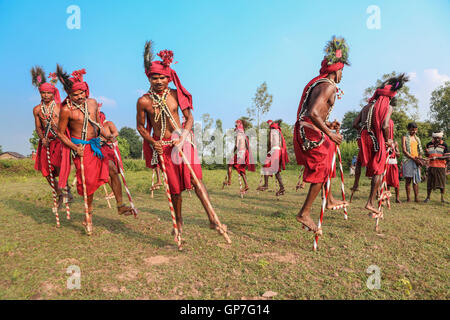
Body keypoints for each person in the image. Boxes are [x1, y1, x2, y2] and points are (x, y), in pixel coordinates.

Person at [137, 41, 226, 237]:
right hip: (164, 147)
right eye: (154, 78)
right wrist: (154, 143)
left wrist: (183, 135)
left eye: (162, 77)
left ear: (168, 78)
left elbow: (190, 118)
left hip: (183, 142)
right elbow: (140, 127)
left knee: (197, 180)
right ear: (149, 79)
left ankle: (212, 218)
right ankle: (178, 222)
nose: (158, 81)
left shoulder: (176, 95)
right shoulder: (144, 101)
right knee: (174, 189)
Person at [56, 66, 134, 235]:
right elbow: (60, 134)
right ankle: (88, 216)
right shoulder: (66, 111)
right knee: (88, 184)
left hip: (96, 145)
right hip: (81, 148)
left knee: (113, 169)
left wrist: (108, 136)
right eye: (75, 95)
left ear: (86, 91)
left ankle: (120, 206)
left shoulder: (92, 103)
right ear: (69, 95)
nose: (79, 97)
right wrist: (75, 148)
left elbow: (97, 125)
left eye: (82, 93)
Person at [293, 36, 350, 232]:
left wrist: (328, 124)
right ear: (337, 70)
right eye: (342, 70)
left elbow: (316, 113)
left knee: (328, 161)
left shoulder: (322, 83)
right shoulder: (327, 86)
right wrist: (330, 133)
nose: (343, 74)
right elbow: (313, 112)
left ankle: (330, 199)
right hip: (310, 132)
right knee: (321, 169)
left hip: (312, 128)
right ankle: (304, 213)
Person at [355, 75, 408, 216]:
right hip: (378, 140)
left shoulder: (367, 106)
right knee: (378, 171)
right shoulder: (388, 107)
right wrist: (388, 140)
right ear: (390, 96)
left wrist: (365, 132)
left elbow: (355, 124)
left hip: (365, 139)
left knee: (368, 167)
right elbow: (385, 125)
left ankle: (364, 193)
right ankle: (370, 203)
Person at [31, 67, 72, 205]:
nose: (46, 95)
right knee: (45, 171)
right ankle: (59, 192)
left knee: (58, 165)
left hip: (59, 141)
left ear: (53, 93)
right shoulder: (37, 109)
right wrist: (42, 138)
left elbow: (67, 124)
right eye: (43, 93)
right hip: (46, 141)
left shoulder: (60, 107)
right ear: (40, 93)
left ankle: (66, 190)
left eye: (49, 93)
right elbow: (38, 127)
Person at [257, 119, 289, 196]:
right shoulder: (278, 130)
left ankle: (266, 185)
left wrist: (269, 151)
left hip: (275, 150)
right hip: (279, 150)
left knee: (266, 166)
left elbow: (271, 142)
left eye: (269, 124)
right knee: (276, 170)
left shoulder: (272, 130)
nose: (269, 126)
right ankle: (282, 188)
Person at [224, 119, 255, 192]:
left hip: (241, 153)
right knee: (241, 170)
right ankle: (246, 185)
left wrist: (232, 151)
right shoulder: (244, 135)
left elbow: (237, 145)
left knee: (230, 165)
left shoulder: (239, 134)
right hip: (244, 153)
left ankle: (229, 181)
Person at [402, 122, 426, 202]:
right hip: (408, 160)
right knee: (408, 180)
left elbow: (420, 151)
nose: (414, 131)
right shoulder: (404, 137)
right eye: (412, 130)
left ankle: (416, 198)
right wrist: (413, 158)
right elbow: (404, 151)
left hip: (416, 161)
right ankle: (408, 198)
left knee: (416, 180)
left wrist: (419, 159)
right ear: (408, 129)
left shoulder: (417, 138)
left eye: (415, 130)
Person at [424, 132, 449, 203]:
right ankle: (428, 197)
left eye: (438, 138)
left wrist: (437, 157)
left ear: (441, 137)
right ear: (433, 137)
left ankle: (442, 198)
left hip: (441, 166)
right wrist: (426, 153)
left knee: (442, 183)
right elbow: (427, 155)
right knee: (429, 183)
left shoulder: (444, 145)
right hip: (431, 166)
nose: (437, 139)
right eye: (435, 138)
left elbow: (447, 156)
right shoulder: (429, 144)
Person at [385, 117, 401, 203]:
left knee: (396, 182)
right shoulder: (384, 142)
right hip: (387, 164)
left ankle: (397, 198)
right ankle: (387, 197)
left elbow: (398, 155)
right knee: (387, 182)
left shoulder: (395, 143)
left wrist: (395, 149)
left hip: (394, 164)